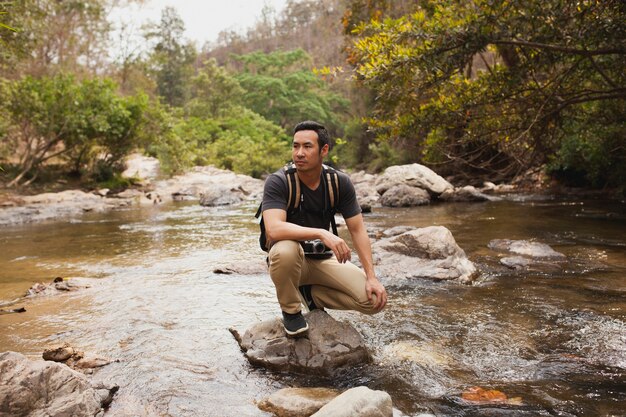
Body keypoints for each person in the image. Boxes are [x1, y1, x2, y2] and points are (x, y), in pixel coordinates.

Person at [261, 120, 388, 336]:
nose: (299, 153)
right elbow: (273, 229)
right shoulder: (279, 181)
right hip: (290, 264)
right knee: (285, 250)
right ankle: (291, 312)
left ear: (324, 150)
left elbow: (358, 230)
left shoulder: (339, 183)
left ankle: (313, 295)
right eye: (295, 146)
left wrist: (371, 276)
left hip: (322, 260)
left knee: (374, 301)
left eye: (307, 146)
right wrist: (321, 232)